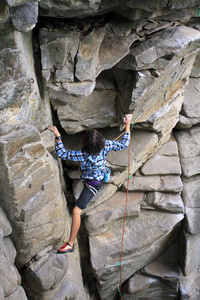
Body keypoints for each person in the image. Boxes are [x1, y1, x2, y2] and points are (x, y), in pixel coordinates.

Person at [48, 114, 132, 254]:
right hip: (96, 176)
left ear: (85, 144)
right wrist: (127, 124)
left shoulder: (82, 154)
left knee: (76, 211)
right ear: (100, 142)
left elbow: (62, 154)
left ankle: (70, 244)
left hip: (93, 184)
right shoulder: (106, 145)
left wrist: (57, 135)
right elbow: (124, 143)